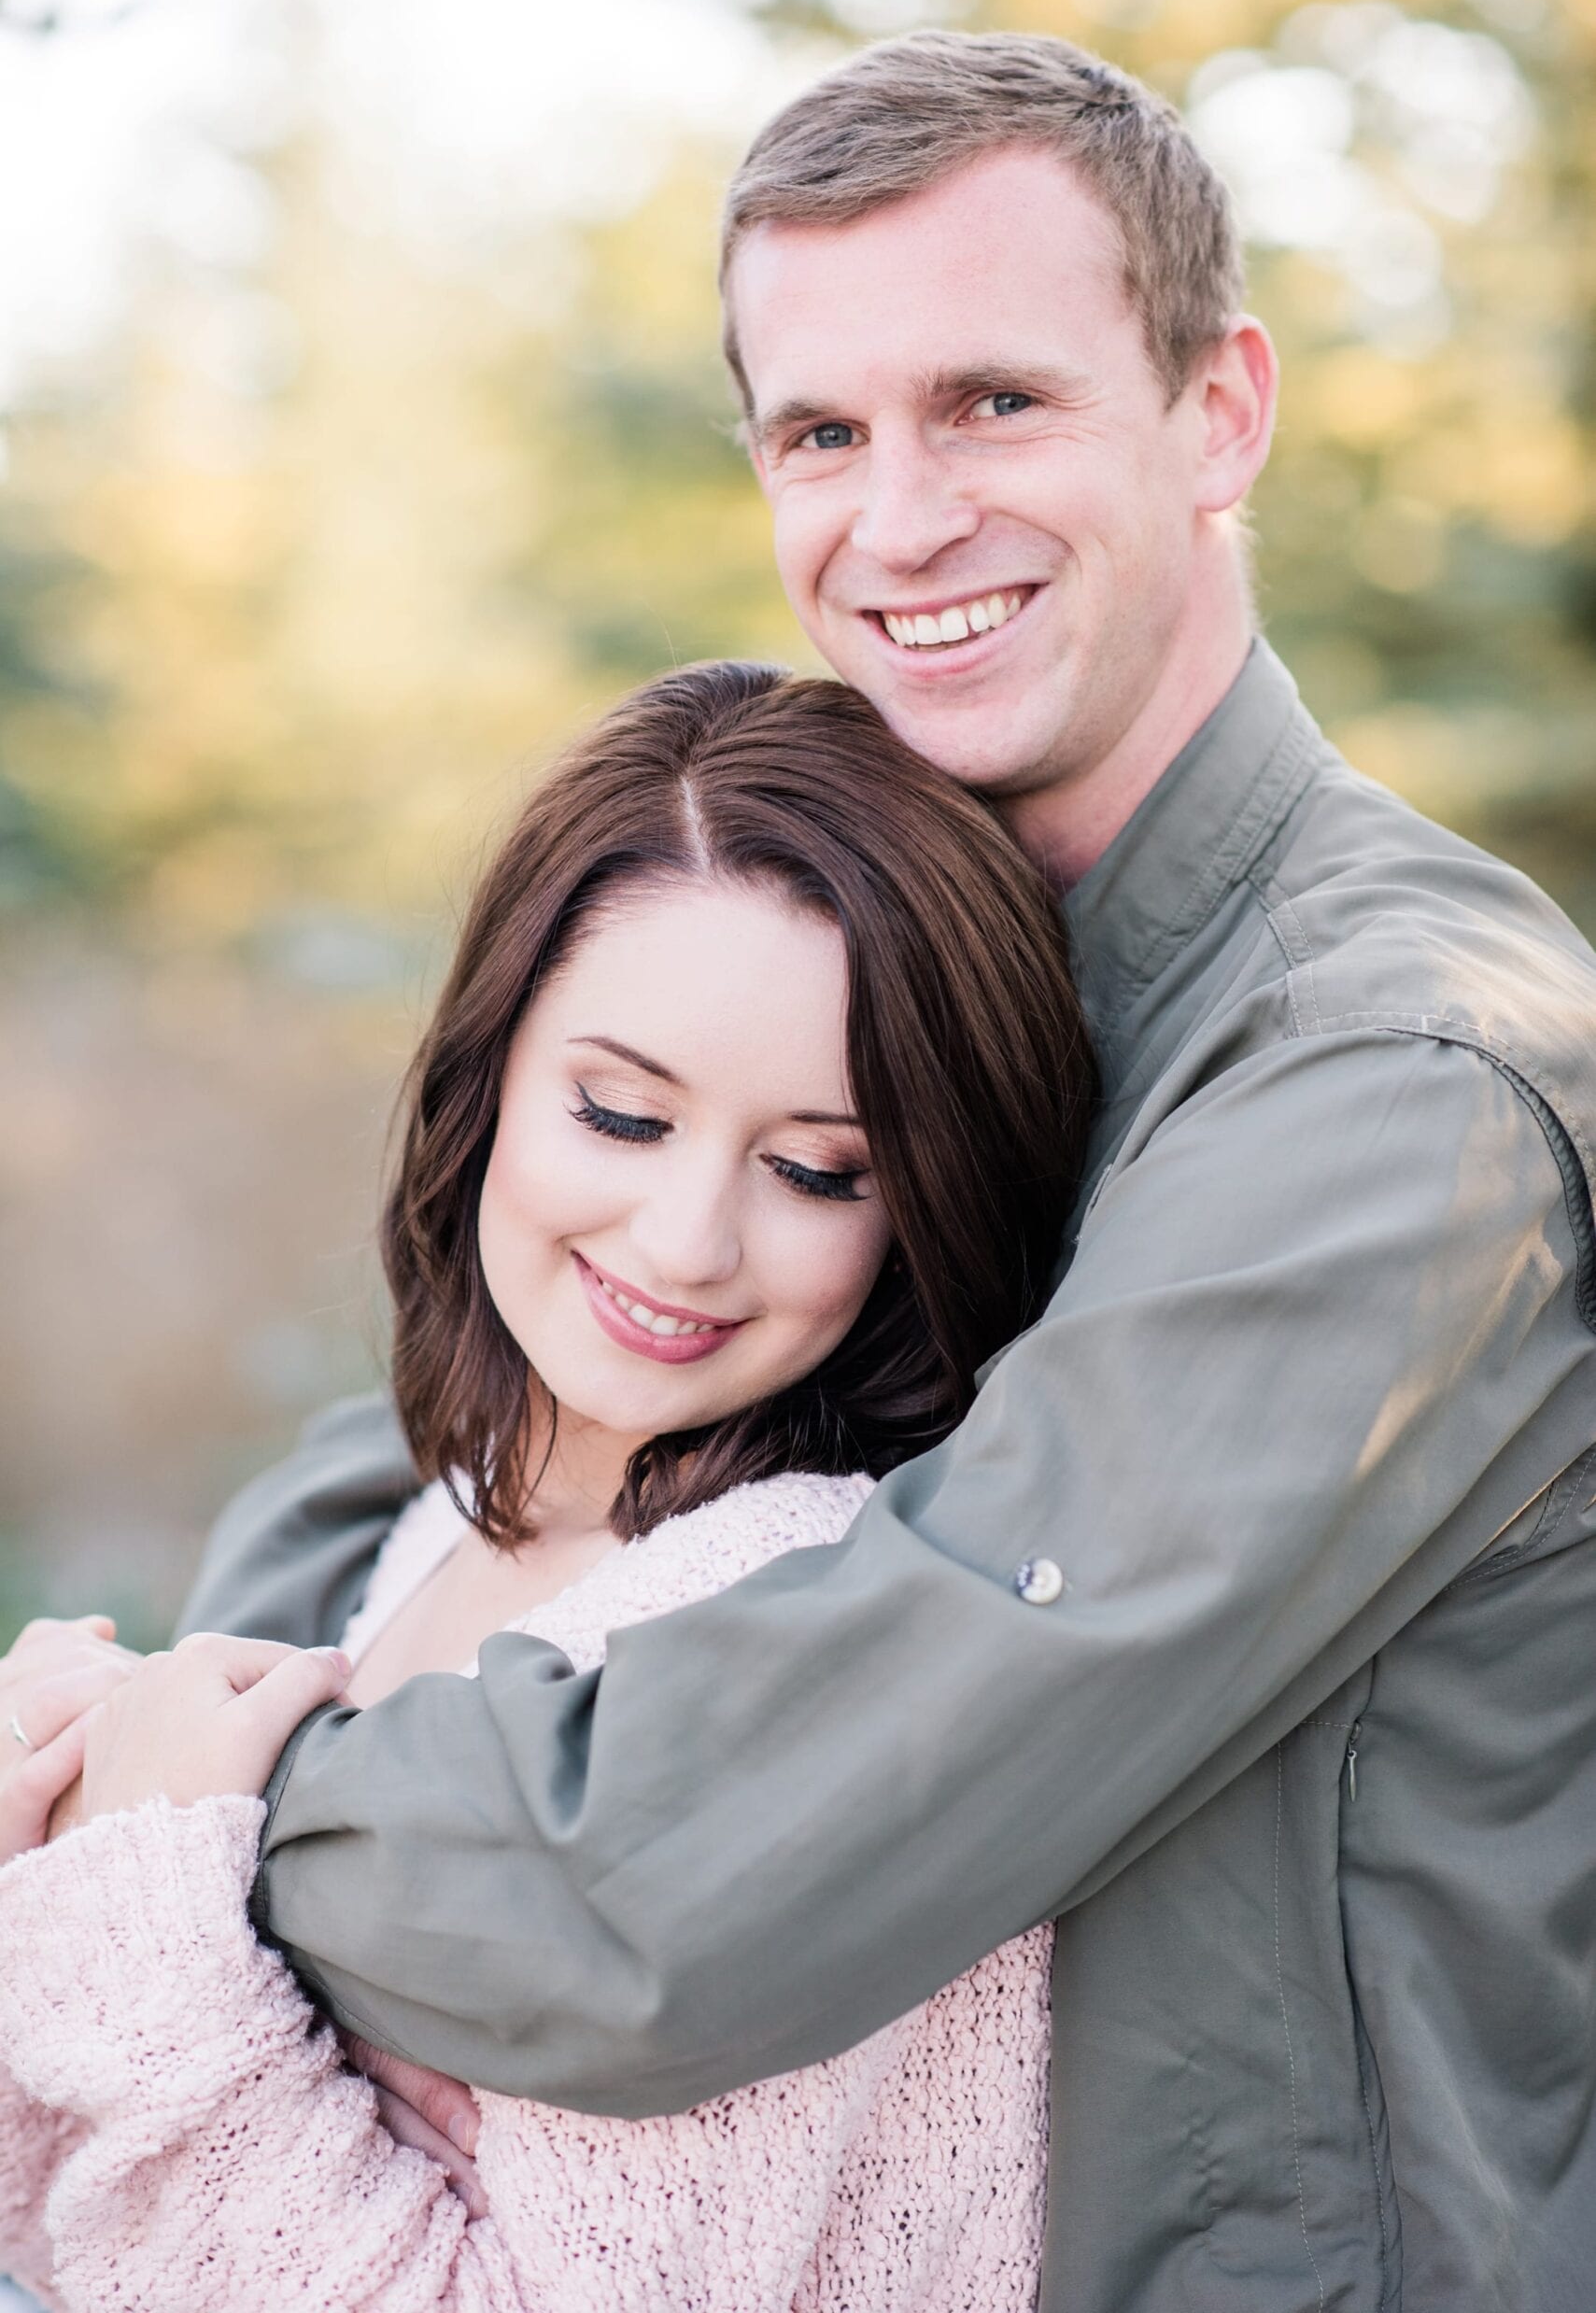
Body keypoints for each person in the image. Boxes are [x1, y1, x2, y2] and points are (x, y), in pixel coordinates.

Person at [8, 26, 1596, 2313]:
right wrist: (232, 1681)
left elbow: (685, 1881)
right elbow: (465, 1459)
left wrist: (178, 1813)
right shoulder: (925, 940)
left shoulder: (1392, 1075)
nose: (903, 513)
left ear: (1222, 409)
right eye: (823, 432)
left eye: (996, 403)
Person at [0, 660, 1093, 2308]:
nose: (687, 1244)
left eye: (814, 1168)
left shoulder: (791, 1628)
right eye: (621, 1112)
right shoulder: (457, 1505)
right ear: (490, 1070)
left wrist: (144, 1892)